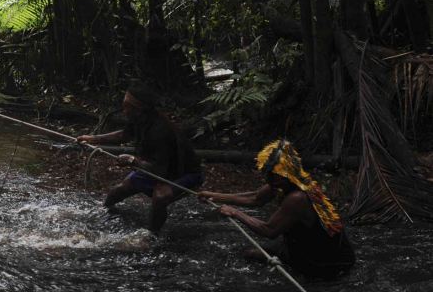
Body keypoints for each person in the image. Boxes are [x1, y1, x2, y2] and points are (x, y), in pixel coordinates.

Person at [198, 139, 355, 279]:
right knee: (249, 254)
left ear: (287, 171)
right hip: (302, 246)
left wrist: (235, 213)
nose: (268, 179)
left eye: (272, 175)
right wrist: (214, 196)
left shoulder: (298, 198)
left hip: (328, 261)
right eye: (267, 174)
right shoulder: (284, 182)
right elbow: (255, 198)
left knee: (252, 255)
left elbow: (269, 230)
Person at [76, 81, 202, 233]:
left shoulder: (160, 130)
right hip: (155, 167)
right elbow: (124, 135)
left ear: (140, 108)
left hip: (182, 174)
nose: (124, 110)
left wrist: (133, 161)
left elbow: (158, 170)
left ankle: (151, 236)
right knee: (120, 190)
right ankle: (104, 212)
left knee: (160, 196)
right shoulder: (139, 119)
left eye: (127, 106)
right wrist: (92, 139)